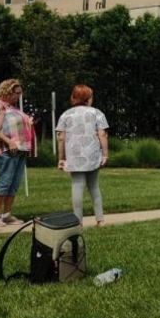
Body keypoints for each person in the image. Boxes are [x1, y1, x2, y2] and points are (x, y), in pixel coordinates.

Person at [56, 85, 110, 225]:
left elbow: (61, 137)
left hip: (74, 156)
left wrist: (61, 158)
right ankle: (100, 220)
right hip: (92, 154)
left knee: (77, 185)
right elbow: (102, 134)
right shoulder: (97, 113)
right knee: (94, 186)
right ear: (88, 99)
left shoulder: (65, 115)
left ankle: (77, 221)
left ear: (73, 98)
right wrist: (105, 154)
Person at [0, 79, 36, 227]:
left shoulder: (13, 108)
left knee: (14, 184)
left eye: (20, 93)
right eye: (16, 93)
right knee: (5, 182)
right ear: (7, 92)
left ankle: (7, 214)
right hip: (7, 150)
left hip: (20, 150)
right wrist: (9, 141)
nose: (19, 96)